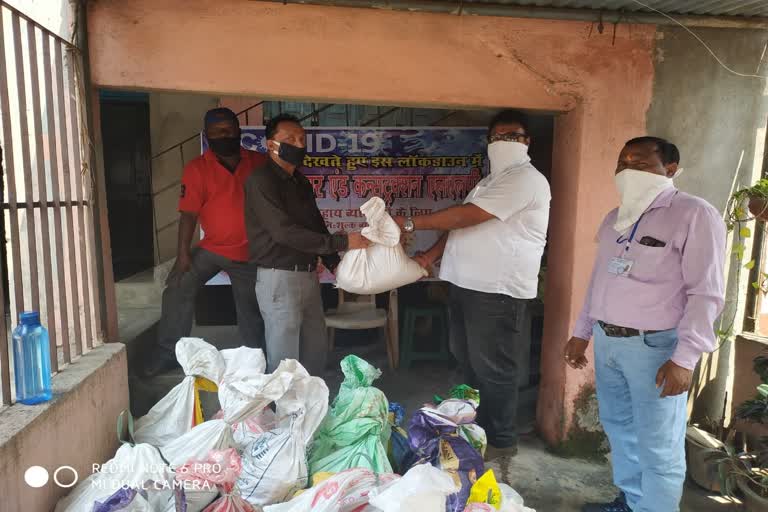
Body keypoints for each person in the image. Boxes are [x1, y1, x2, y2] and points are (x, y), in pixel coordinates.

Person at [565, 137, 725, 512]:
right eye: (623, 163)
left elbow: (707, 293)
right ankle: (631, 501)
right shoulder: (614, 217)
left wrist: (685, 359)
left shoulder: (694, 214)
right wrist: (581, 332)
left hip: (656, 348)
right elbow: (599, 280)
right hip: (608, 342)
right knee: (620, 430)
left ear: (670, 170)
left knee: (658, 444)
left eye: (641, 164)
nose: (628, 171)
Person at [394, 109, 551, 458]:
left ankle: (500, 440)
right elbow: (461, 225)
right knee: (466, 362)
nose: (505, 142)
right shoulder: (489, 181)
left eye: (514, 136)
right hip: (465, 286)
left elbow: (468, 215)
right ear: (489, 142)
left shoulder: (526, 179)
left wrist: (408, 223)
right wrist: (432, 254)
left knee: (494, 369)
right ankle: (474, 429)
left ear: (528, 143)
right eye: (499, 136)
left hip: (496, 291)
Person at [144, 108, 267, 377]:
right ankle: (168, 353)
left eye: (228, 130)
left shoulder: (258, 162)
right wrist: (182, 256)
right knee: (177, 286)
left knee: (249, 308)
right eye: (215, 132)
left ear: (238, 130)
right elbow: (188, 216)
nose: (223, 136)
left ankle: (253, 363)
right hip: (211, 249)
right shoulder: (197, 168)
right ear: (207, 135)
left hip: (249, 253)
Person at [244, 114, 369, 375]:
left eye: (302, 139)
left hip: (308, 276)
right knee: (284, 361)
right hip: (278, 278)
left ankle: (311, 410)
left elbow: (315, 224)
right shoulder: (260, 180)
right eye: (290, 139)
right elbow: (283, 233)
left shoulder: (300, 181)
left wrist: (336, 263)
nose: (299, 145)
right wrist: (344, 241)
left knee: (315, 350)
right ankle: (285, 414)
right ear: (270, 145)